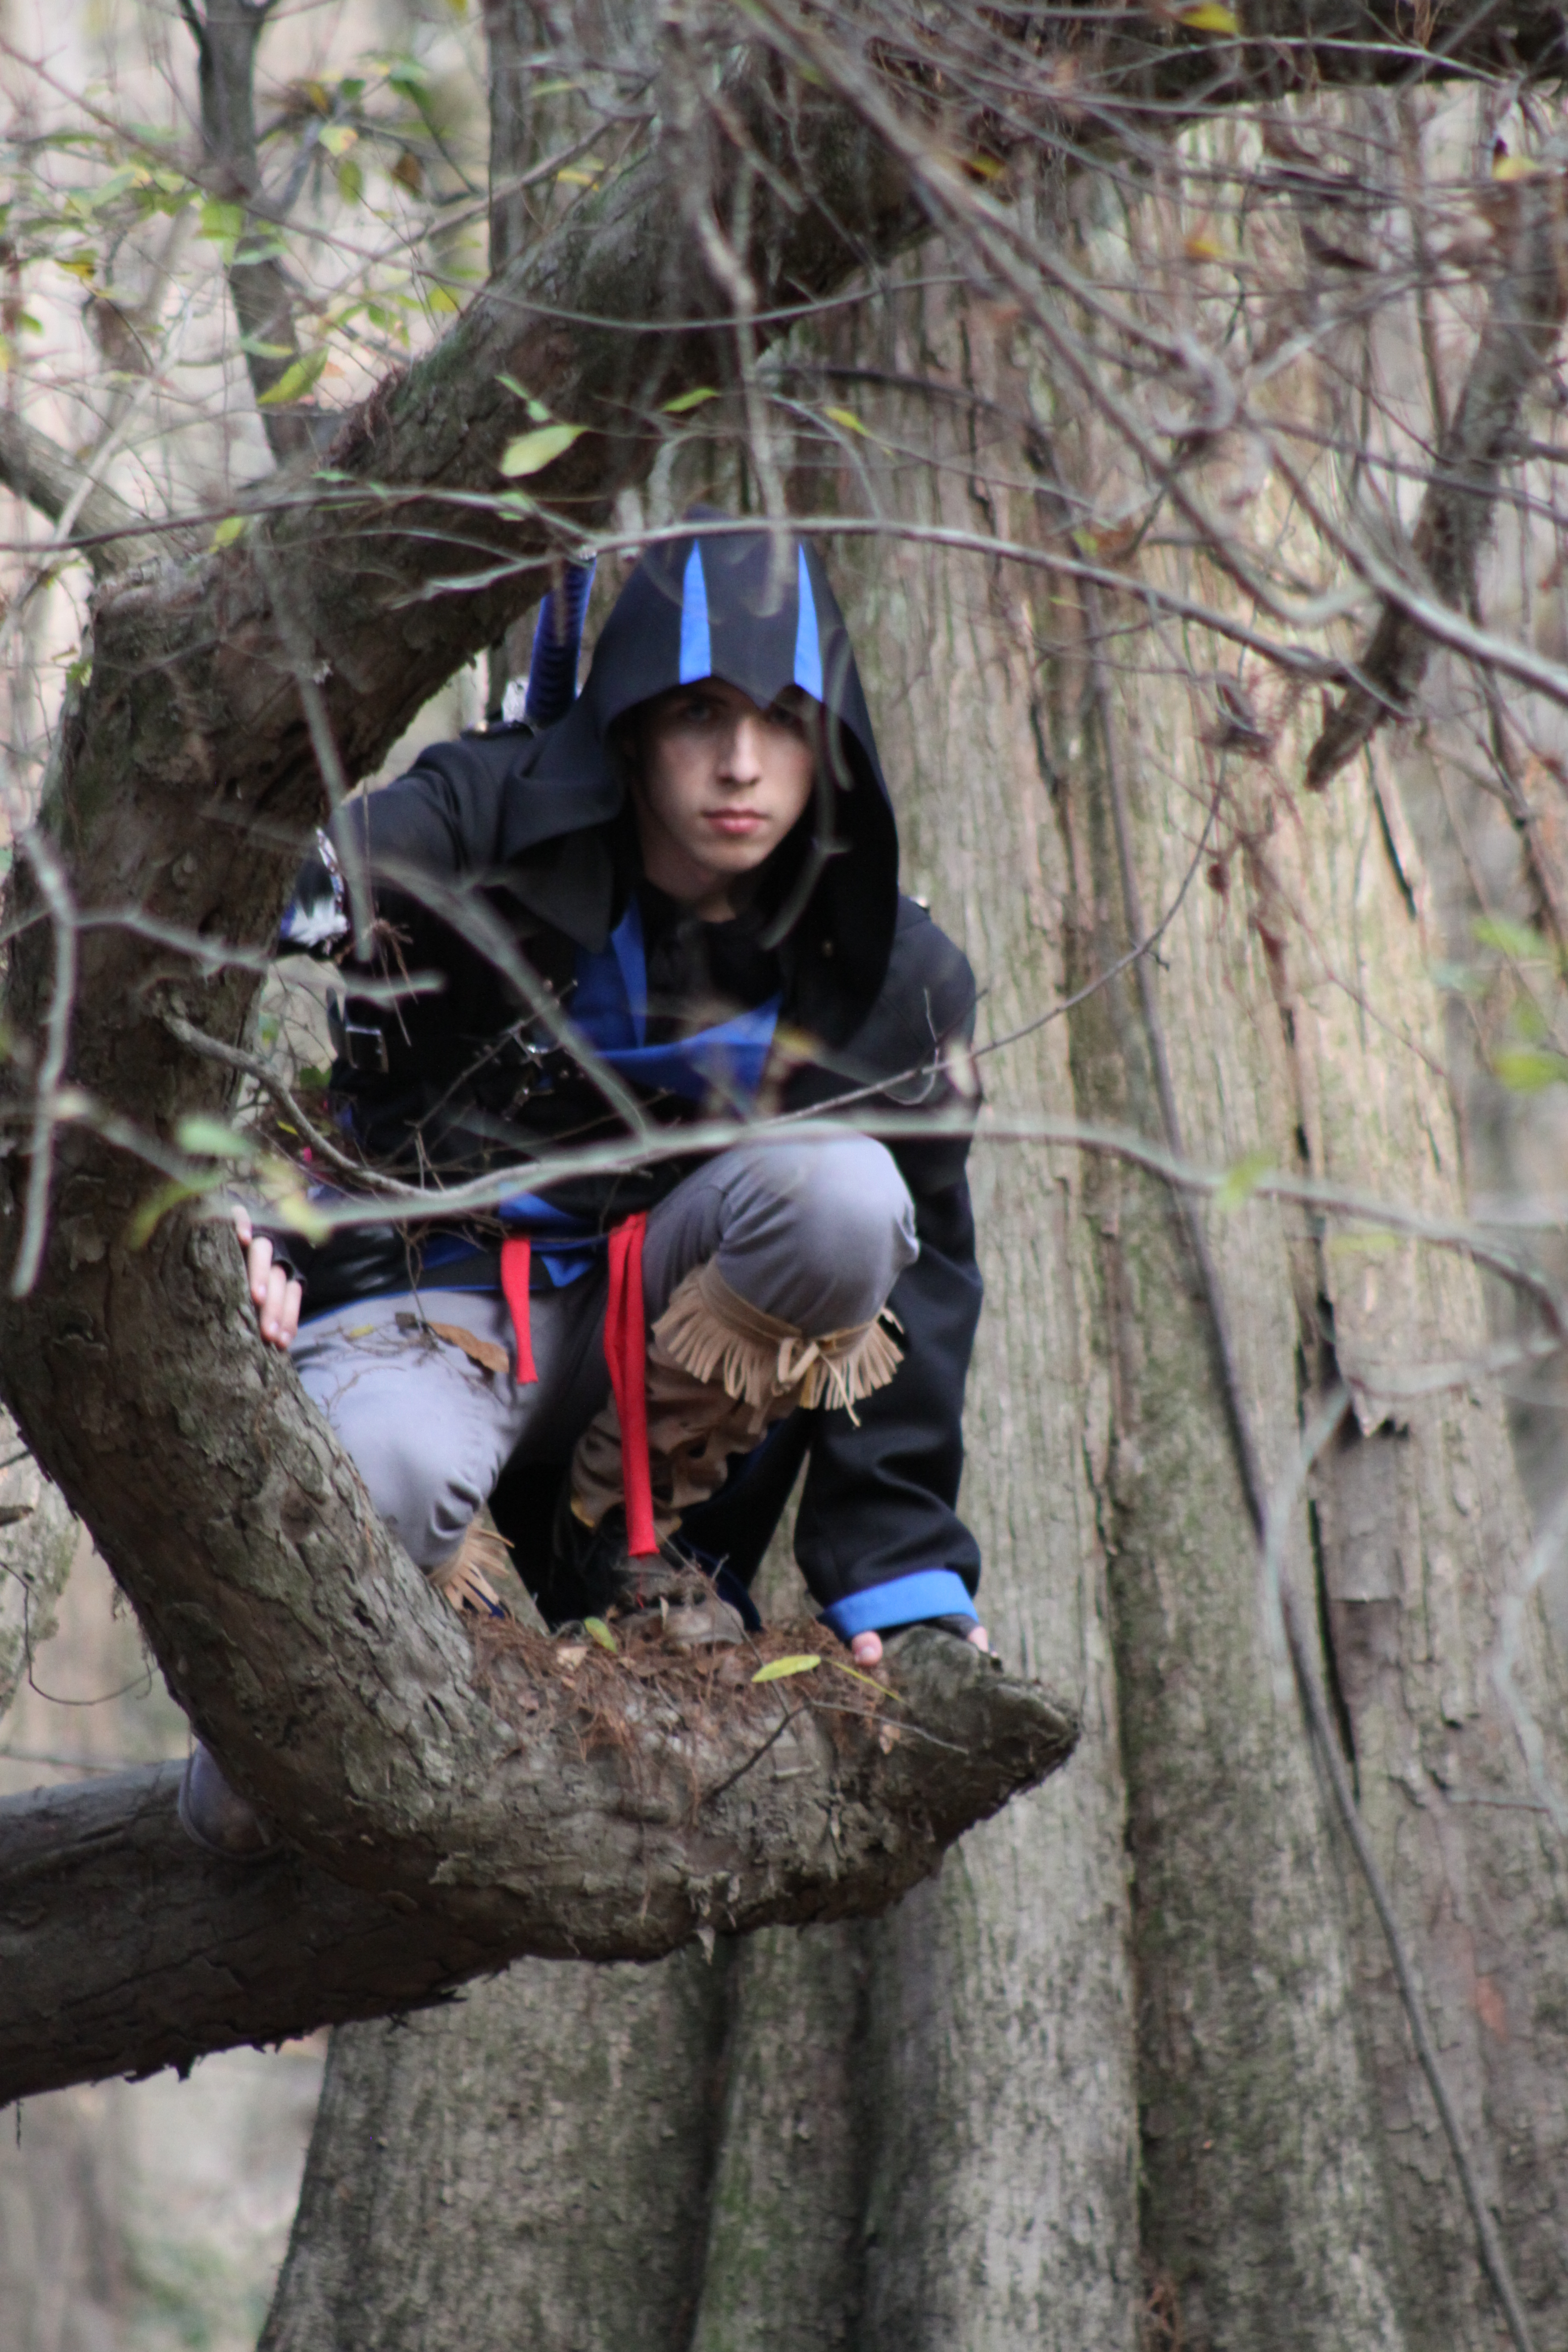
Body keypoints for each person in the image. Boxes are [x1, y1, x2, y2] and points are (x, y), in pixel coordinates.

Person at [183, 519, 987, 1854]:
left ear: (830, 741)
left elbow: (933, 1272)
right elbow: (225, 932)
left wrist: (898, 1569)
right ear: (629, 721)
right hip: (435, 1303)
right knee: (376, 1477)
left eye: (783, 722)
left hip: (655, 1361)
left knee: (853, 1202)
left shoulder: (888, 968)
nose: (741, 763)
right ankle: (267, 1769)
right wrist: (218, 1195)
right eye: (702, 714)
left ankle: (628, 1556)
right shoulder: (484, 822)